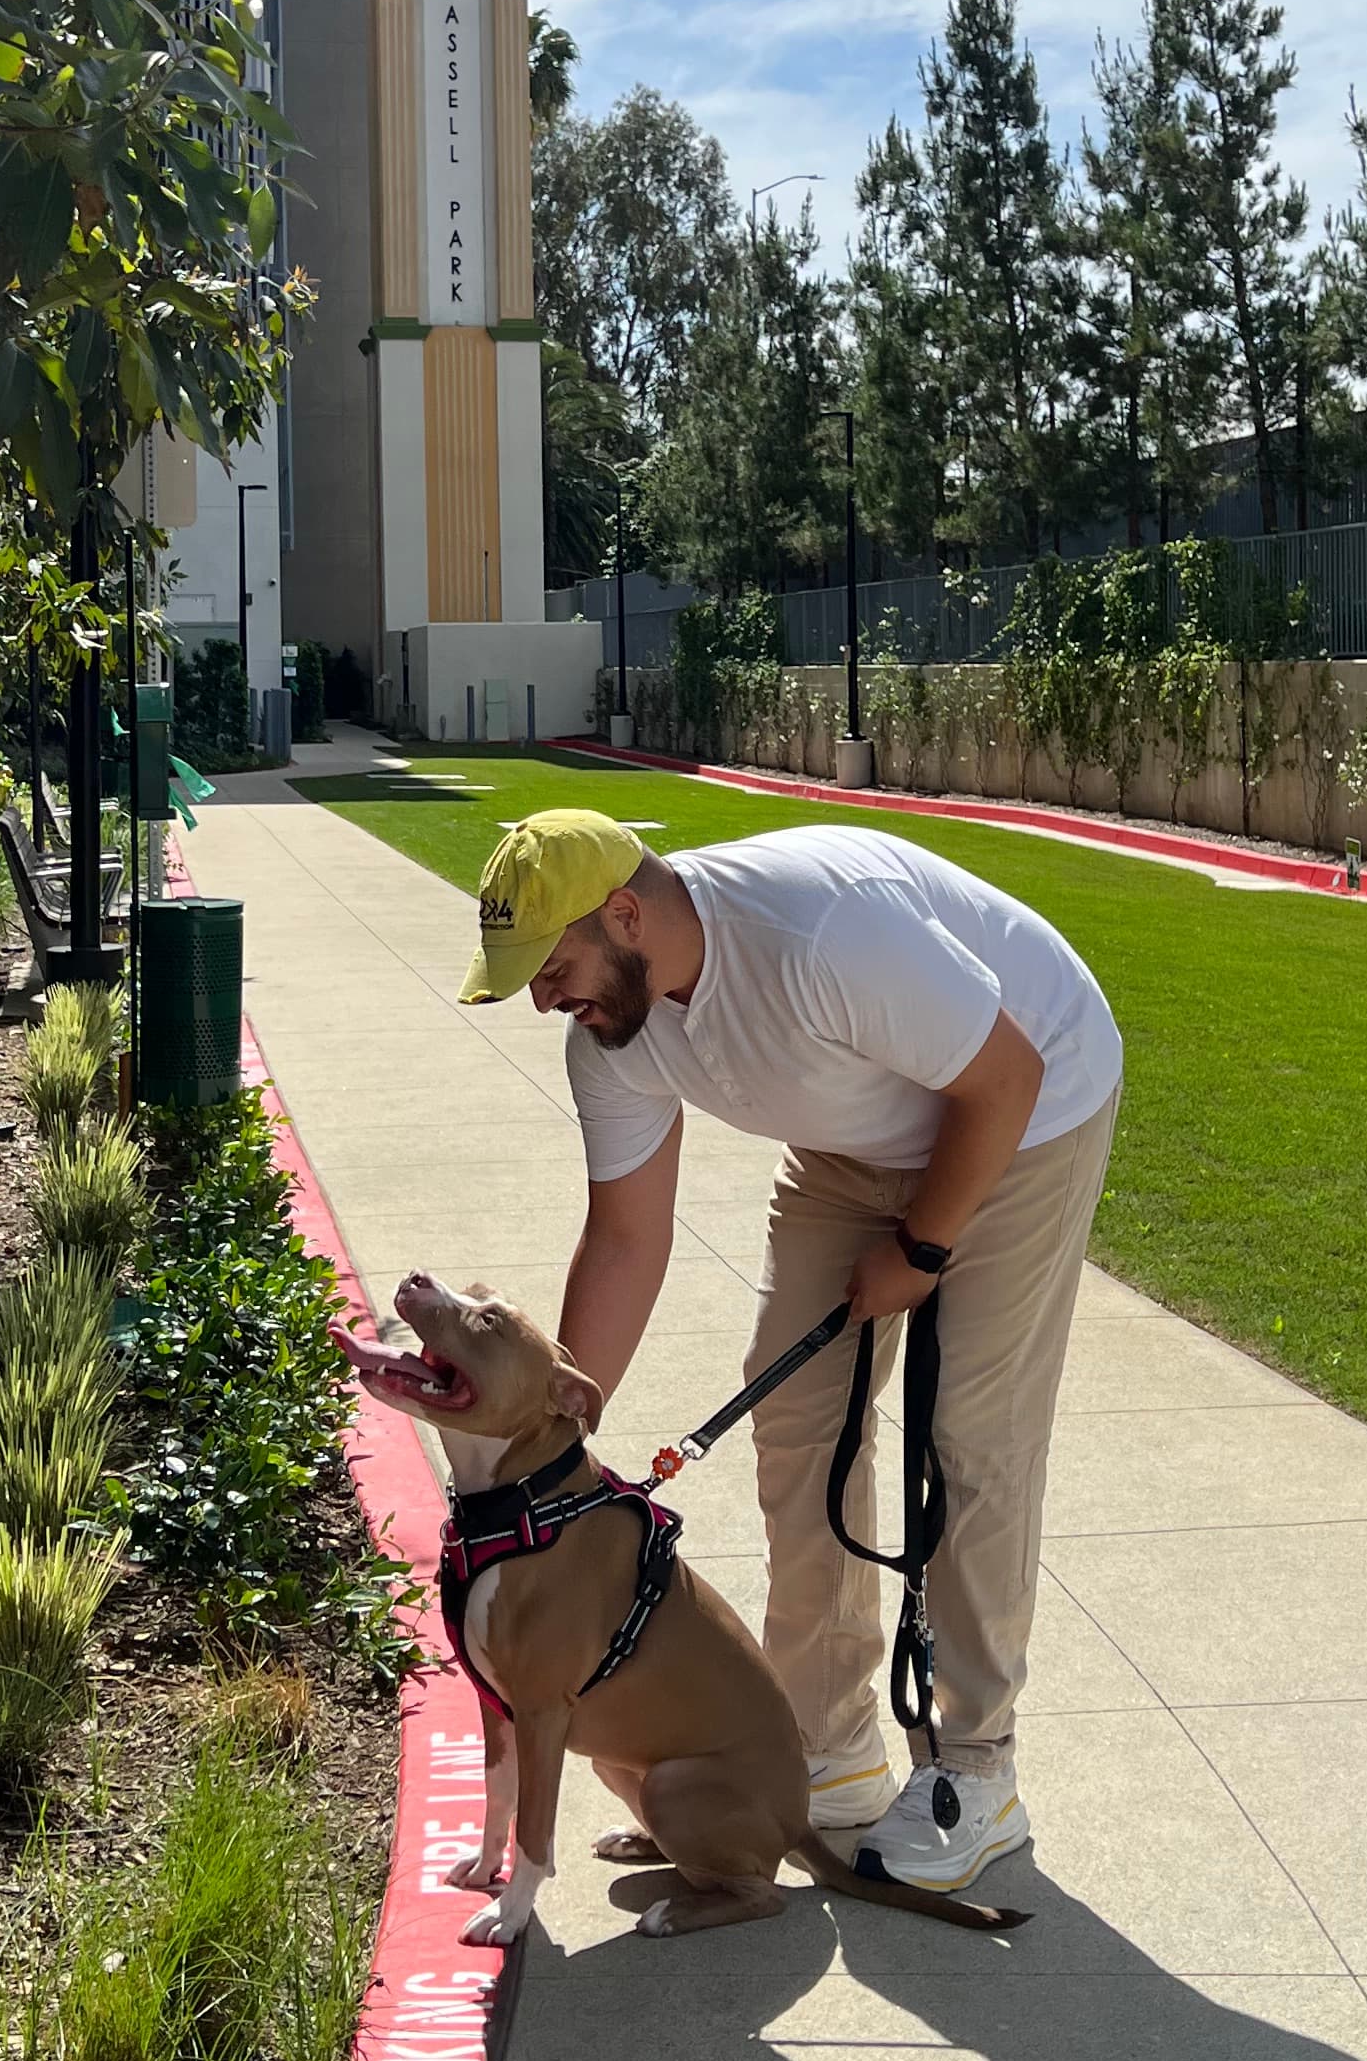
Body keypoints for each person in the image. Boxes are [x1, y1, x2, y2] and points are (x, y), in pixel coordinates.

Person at [459, 806, 1121, 1895]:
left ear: (625, 915)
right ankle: (827, 1749)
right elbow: (626, 1239)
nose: (543, 999)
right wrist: (552, 1442)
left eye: (553, 967)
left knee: (970, 1442)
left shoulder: (822, 934)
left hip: (1027, 1108)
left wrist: (922, 1245)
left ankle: (975, 1770)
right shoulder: (615, 1035)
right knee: (800, 1424)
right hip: (854, 1138)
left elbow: (1003, 1077)